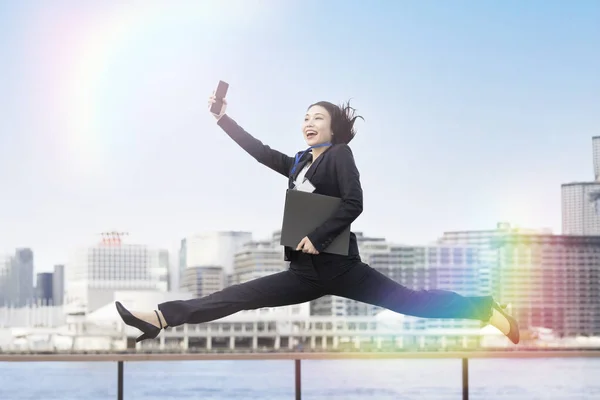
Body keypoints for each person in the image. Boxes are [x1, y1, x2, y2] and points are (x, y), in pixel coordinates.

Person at [115, 92, 520, 345]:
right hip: (305, 272)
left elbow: (354, 202)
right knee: (238, 296)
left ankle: (486, 310)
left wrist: (320, 237)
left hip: (342, 267)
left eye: (318, 118)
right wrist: (223, 119)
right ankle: (160, 318)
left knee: (413, 303)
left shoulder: (340, 155)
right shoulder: (299, 163)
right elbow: (260, 151)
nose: (309, 123)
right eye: (306, 117)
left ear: (334, 127)